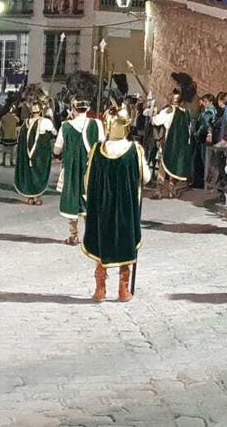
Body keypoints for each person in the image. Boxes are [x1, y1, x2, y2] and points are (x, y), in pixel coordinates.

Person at [82, 103, 151, 303]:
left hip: (102, 207)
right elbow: (145, 178)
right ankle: (123, 290)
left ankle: (100, 290)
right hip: (125, 207)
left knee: (101, 242)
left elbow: (87, 181)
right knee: (125, 243)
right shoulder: (135, 150)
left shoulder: (97, 149)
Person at [54, 98, 103, 246]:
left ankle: (74, 236)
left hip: (72, 169)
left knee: (72, 199)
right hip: (91, 168)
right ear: (87, 109)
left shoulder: (65, 126)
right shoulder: (97, 124)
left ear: (73, 109)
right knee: (90, 200)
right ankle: (91, 236)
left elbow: (57, 149)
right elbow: (102, 143)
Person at [156, 73, 198, 198]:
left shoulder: (170, 111)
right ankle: (168, 189)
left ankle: (162, 190)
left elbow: (156, 120)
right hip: (175, 143)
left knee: (164, 165)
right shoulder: (184, 112)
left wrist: (155, 114)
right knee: (170, 164)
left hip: (170, 141)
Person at [14, 100, 56, 205]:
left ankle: (30, 197)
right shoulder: (45, 122)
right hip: (40, 154)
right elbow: (54, 133)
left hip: (27, 155)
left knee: (29, 173)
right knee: (39, 173)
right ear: (41, 111)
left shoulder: (25, 123)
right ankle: (38, 197)